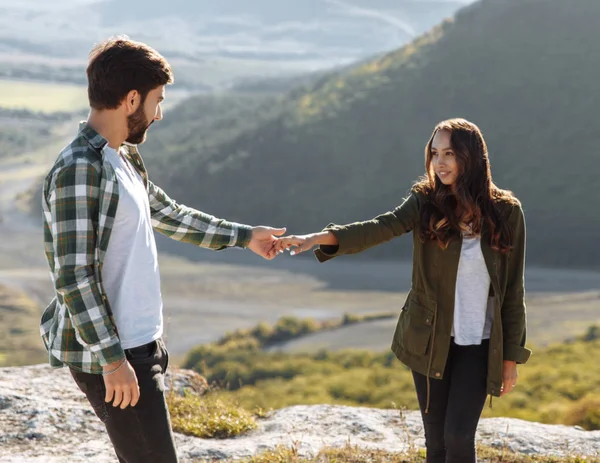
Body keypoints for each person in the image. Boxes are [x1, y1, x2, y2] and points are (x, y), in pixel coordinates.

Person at [40, 36, 285, 463]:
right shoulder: (80, 169)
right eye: (157, 100)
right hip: (115, 353)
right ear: (132, 99)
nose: (159, 112)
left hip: (141, 345)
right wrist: (113, 361)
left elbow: (170, 214)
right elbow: (72, 277)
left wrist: (246, 236)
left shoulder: (123, 157)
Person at [277, 118, 531, 463]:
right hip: (426, 341)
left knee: (458, 436)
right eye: (434, 153)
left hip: (479, 344)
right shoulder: (425, 202)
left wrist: (511, 358)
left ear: (471, 157)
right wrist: (315, 238)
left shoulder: (506, 212)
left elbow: (513, 292)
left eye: (450, 154)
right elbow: (380, 227)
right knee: (436, 444)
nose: (439, 163)